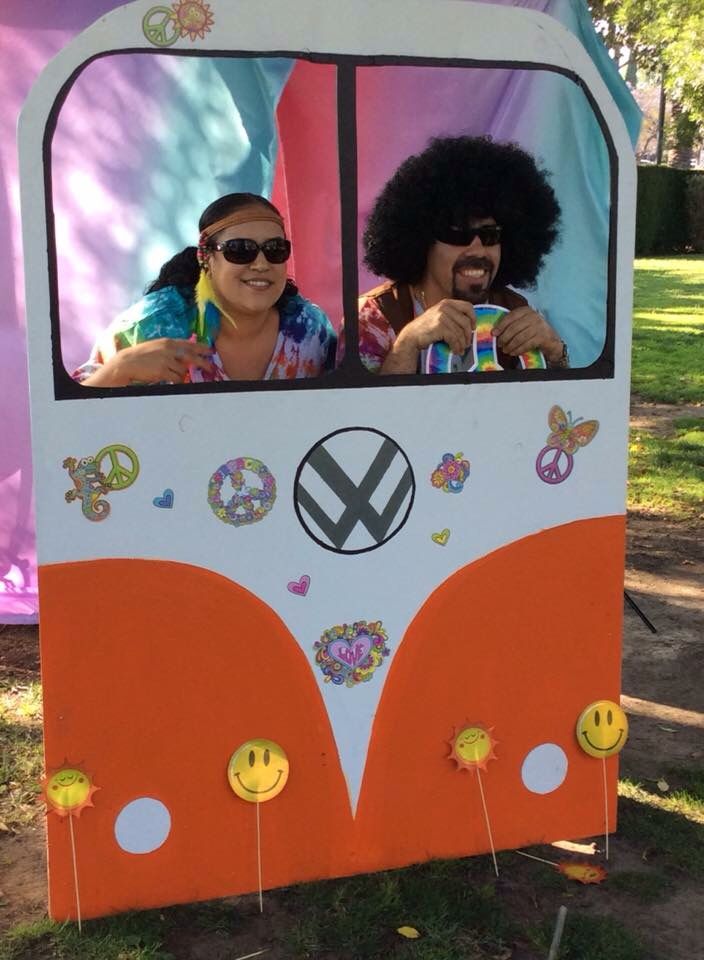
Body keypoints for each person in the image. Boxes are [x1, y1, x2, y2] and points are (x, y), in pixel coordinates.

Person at [357, 136, 568, 374]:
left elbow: (550, 407)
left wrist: (555, 352)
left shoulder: (513, 310)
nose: (478, 250)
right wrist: (407, 344)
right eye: (458, 234)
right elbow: (361, 410)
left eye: (489, 235)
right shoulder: (372, 317)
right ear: (423, 240)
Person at [74, 193, 336, 385]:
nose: (260, 264)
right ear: (206, 258)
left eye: (275, 250)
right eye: (239, 250)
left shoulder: (311, 330)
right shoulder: (148, 326)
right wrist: (122, 368)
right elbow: (70, 423)